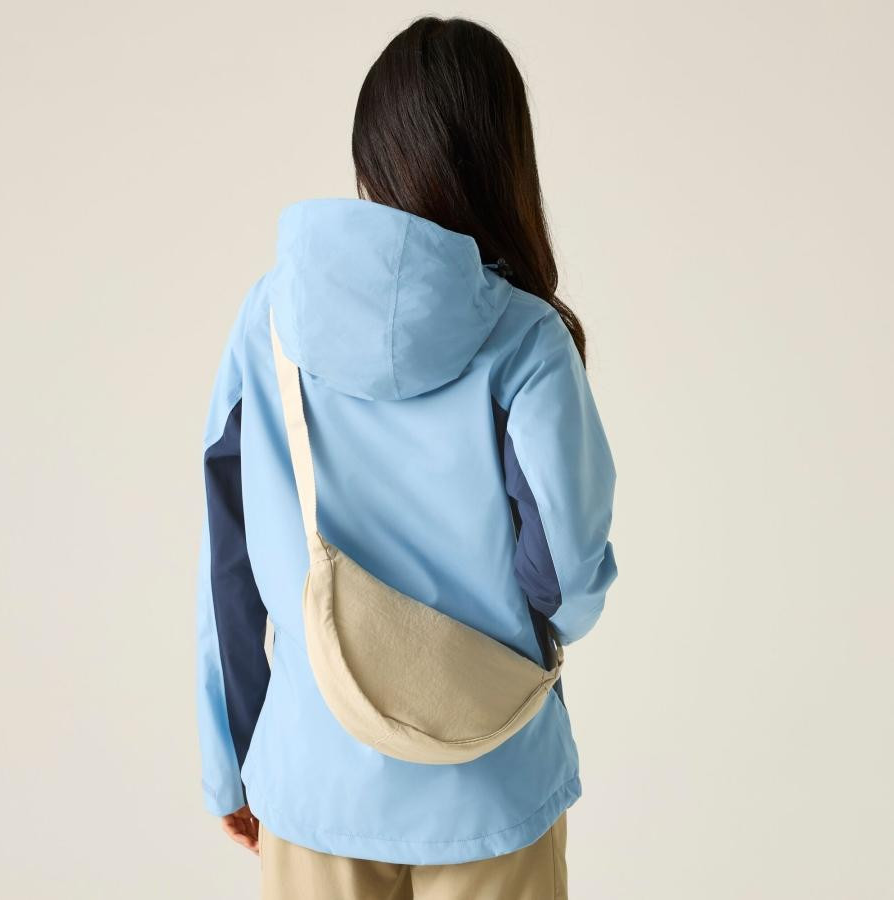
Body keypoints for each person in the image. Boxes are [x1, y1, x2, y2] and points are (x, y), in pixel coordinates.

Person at [196, 15, 618, 900]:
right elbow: (568, 571)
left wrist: (231, 761)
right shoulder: (528, 340)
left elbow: (227, 565)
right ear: (504, 160)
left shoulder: (267, 319)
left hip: (313, 780)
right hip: (493, 779)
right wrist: (514, 633)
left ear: (373, 151)